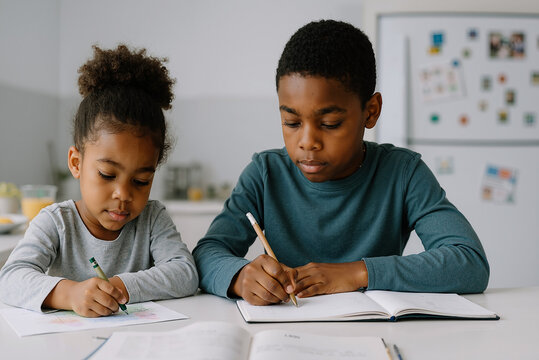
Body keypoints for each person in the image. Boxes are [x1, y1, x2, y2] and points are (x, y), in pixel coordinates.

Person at [192, 20, 489, 306]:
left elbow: (468, 261)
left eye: (330, 123)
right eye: (291, 122)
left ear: (371, 112)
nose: (307, 142)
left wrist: (356, 273)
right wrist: (240, 277)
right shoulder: (265, 173)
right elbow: (207, 252)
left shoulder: (403, 173)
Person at [0, 44, 199, 316]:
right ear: (76, 163)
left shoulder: (152, 219)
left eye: (141, 181)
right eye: (107, 175)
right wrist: (69, 293)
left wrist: (118, 286)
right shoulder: (56, 222)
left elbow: (185, 273)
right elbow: (10, 279)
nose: (123, 194)